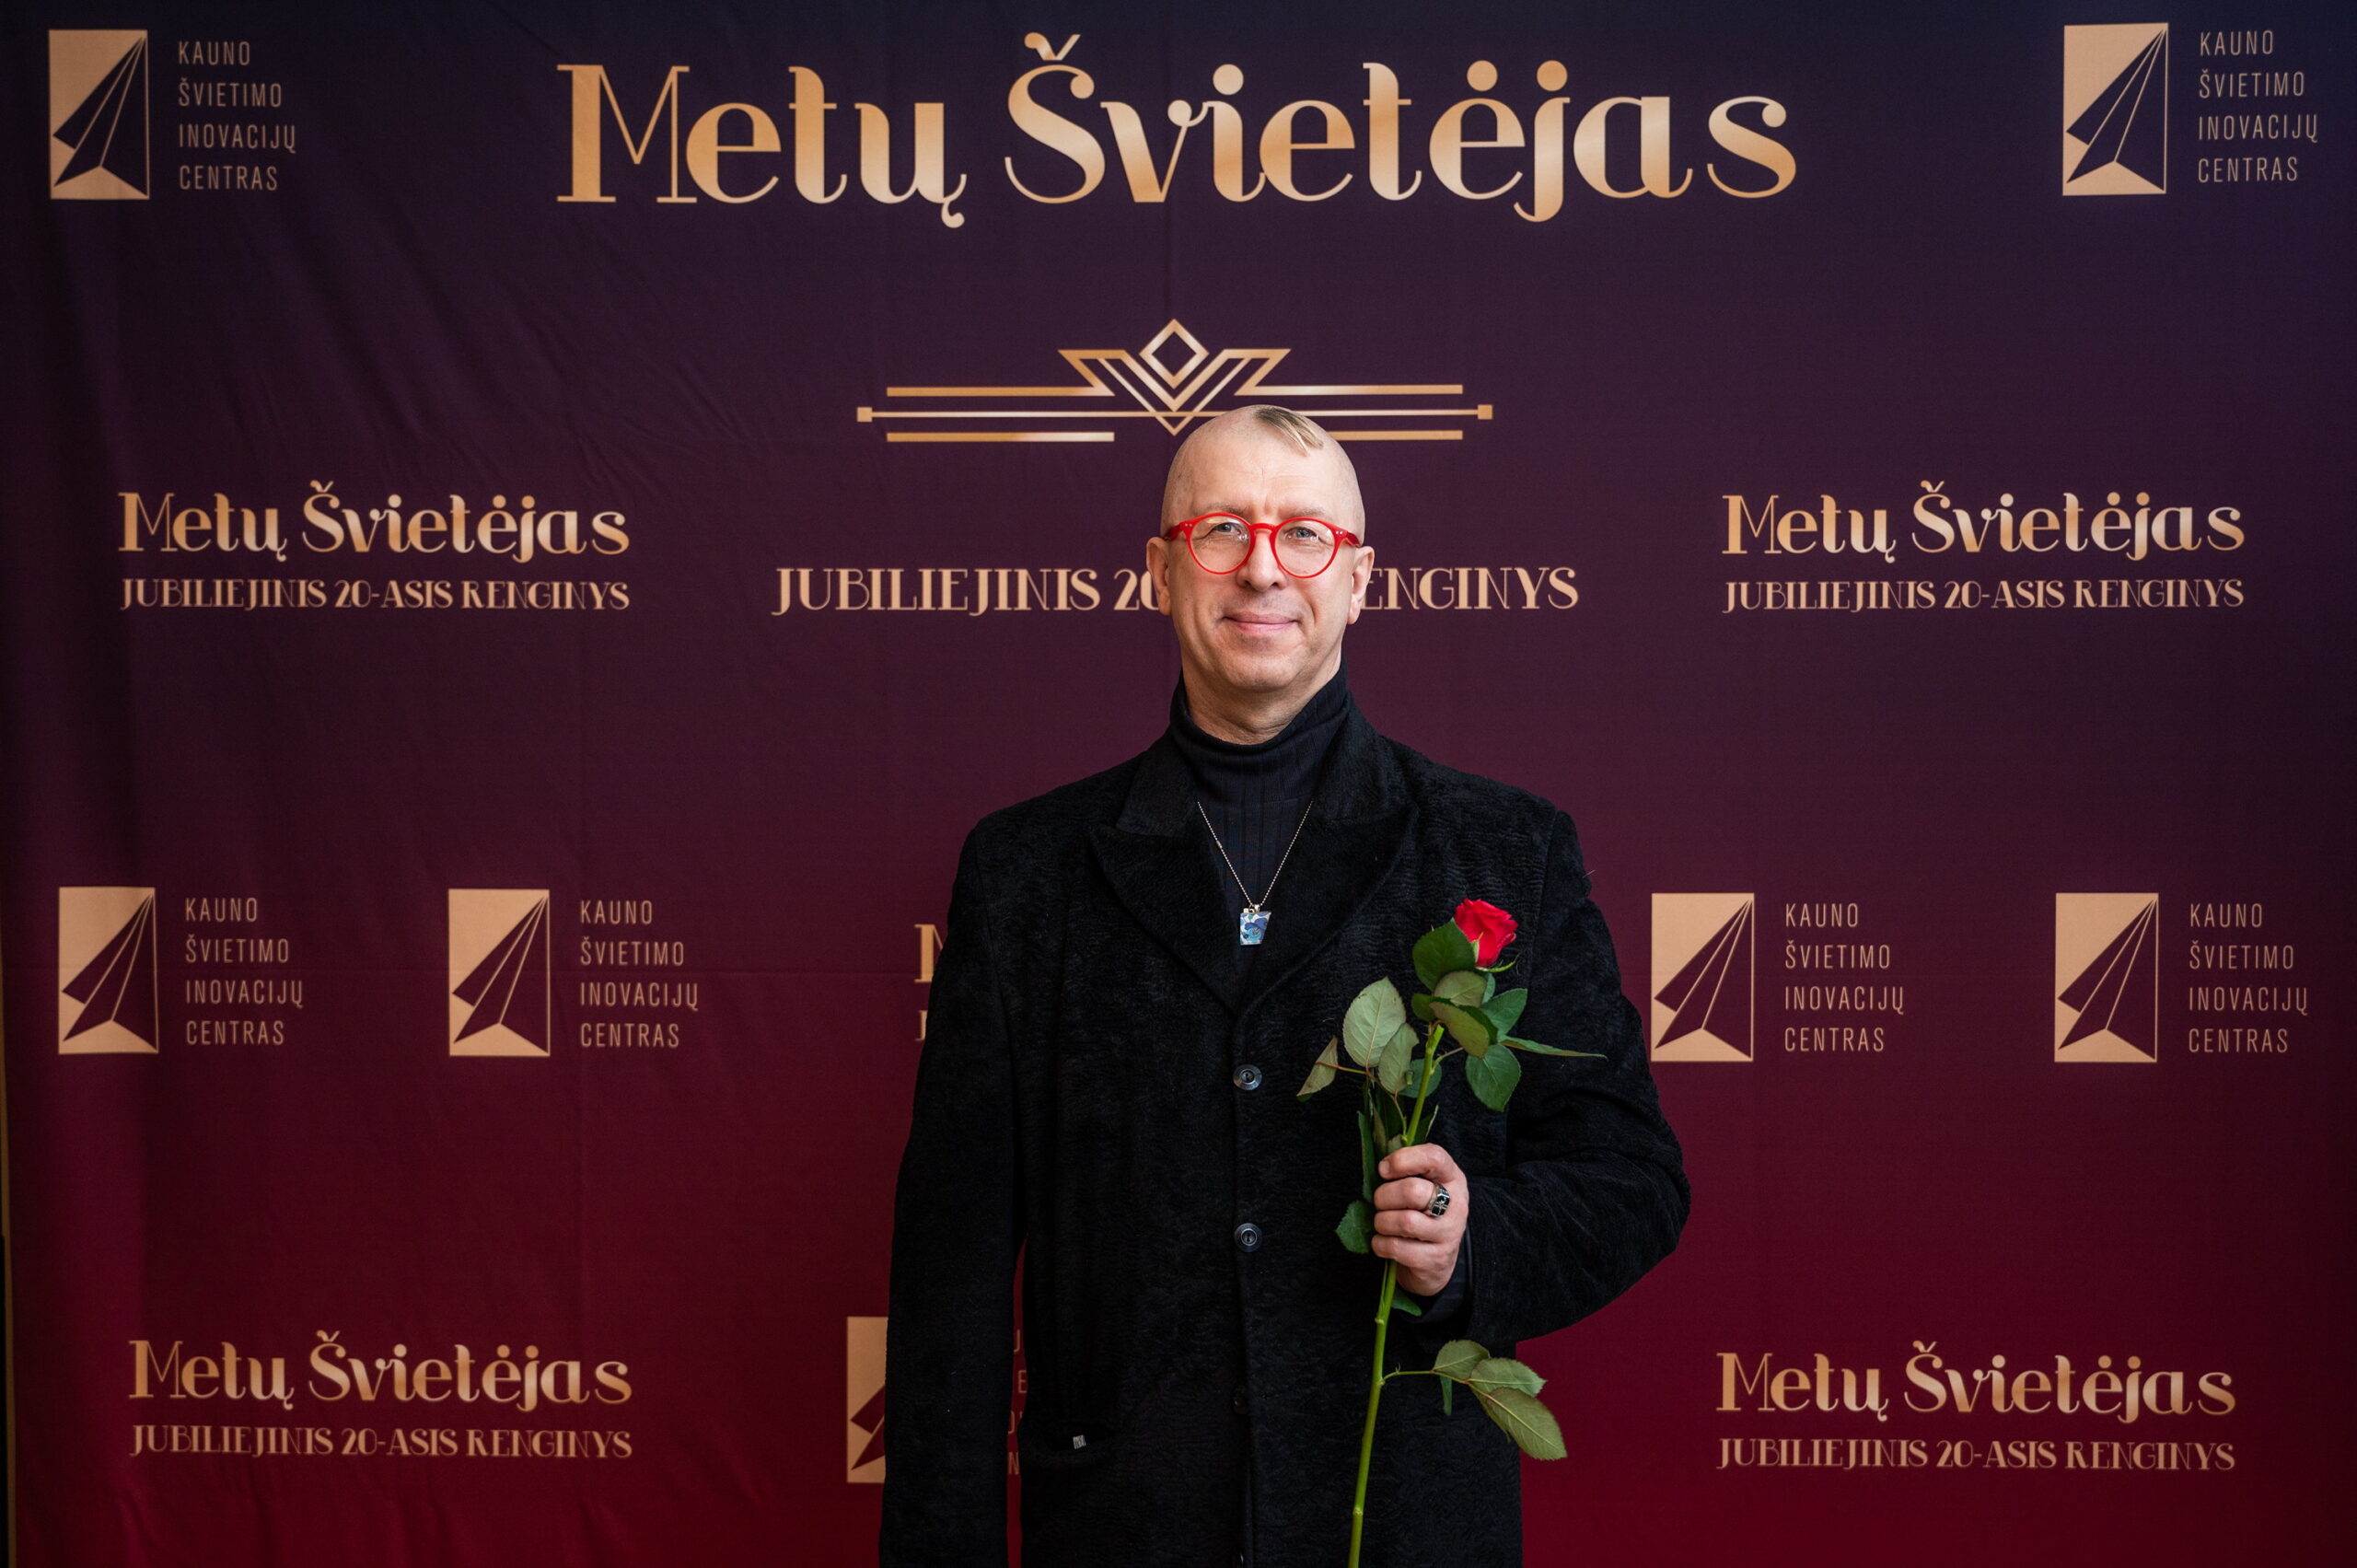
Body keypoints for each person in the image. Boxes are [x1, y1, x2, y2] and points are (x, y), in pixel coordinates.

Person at [881, 405, 1689, 1568]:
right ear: (1161, 571)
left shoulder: (1505, 848)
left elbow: (1632, 1178)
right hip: (1124, 1527)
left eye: (1304, 533)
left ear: (1357, 579)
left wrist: (1473, 1242)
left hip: (1406, 1521)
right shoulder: (1024, 870)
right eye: (1221, 530)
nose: (1263, 567)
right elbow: (950, 1263)